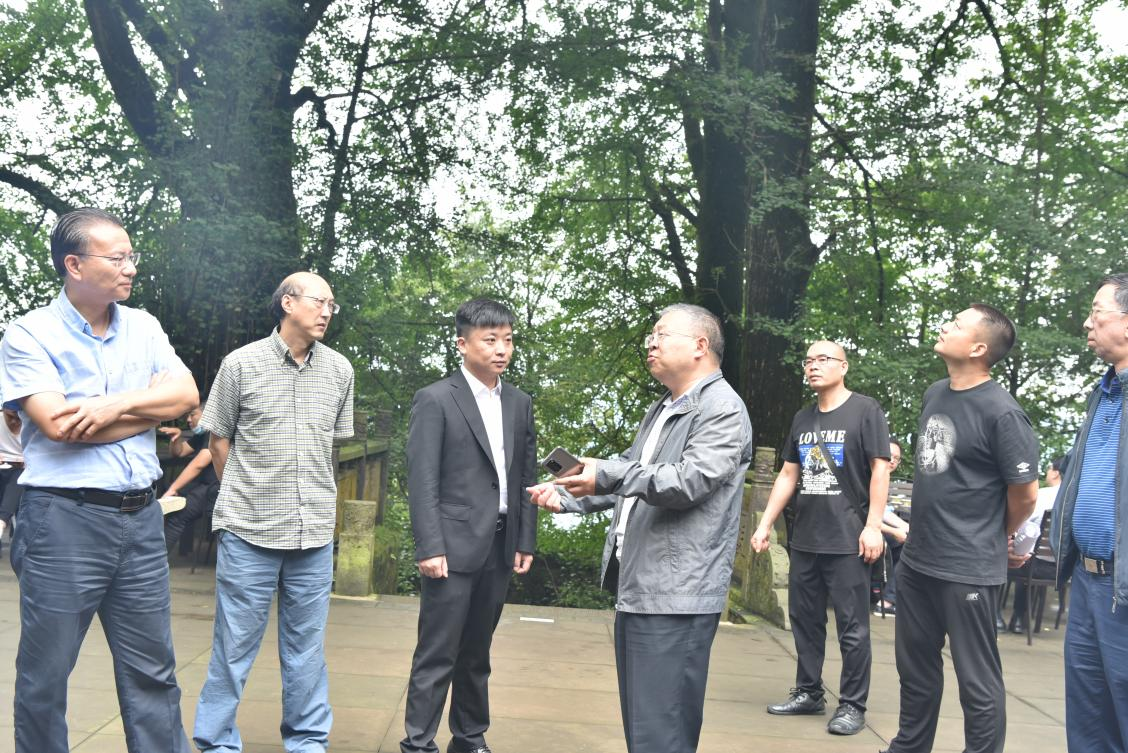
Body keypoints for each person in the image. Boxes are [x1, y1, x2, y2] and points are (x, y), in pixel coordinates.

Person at [0, 207, 198, 753]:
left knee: (153, 673)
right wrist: (149, 410)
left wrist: (113, 405)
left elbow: (187, 396)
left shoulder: (145, 327)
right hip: (62, 521)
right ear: (75, 265)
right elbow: (60, 426)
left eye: (131, 256)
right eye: (117, 258)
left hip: (141, 520)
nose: (131, 267)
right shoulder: (28, 334)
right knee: (45, 677)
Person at [528, 303, 753, 753]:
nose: (651, 343)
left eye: (662, 334)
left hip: (678, 592)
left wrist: (606, 473)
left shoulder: (723, 408)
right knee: (644, 725)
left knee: (661, 730)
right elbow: (633, 475)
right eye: (652, 335)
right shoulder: (664, 406)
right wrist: (570, 494)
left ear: (700, 346)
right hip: (642, 584)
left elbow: (689, 481)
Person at [193, 272, 355, 752]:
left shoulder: (340, 370)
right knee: (233, 646)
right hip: (249, 530)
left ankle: (307, 741)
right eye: (319, 301)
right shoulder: (241, 364)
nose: (326, 311)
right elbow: (218, 442)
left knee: (307, 650)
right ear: (288, 303)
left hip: (314, 533)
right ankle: (217, 742)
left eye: (332, 304)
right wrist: (249, 492)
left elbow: (331, 446)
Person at [884, 303, 1039, 753]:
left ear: (977, 348)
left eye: (955, 324)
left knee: (977, 681)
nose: (943, 326)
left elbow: (1025, 495)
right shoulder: (936, 393)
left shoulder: (1003, 413)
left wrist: (994, 534)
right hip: (918, 559)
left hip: (967, 566)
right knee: (915, 669)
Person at [400, 298, 538, 753]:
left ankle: (469, 737)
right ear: (462, 343)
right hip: (451, 546)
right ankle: (418, 742)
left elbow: (525, 476)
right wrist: (429, 546)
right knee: (437, 651)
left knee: (478, 652)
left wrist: (524, 538)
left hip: (499, 544)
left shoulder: (519, 403)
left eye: (508, 340)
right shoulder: (436, 398)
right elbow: (422, 479)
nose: (502, 349)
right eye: (490, 340)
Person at [750, 341, 890, 736]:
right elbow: (788, 474)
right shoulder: (803, 418)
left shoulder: (866, 410)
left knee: (852, 627)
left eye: (823, 359)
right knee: (805, 621)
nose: (813, 366)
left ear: (843, 367)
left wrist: (873, 525)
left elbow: (880, 470)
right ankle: (809, 691)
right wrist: (765, 524)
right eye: (808, 361)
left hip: (848, 538)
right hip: (806, 538)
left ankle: (852, 704)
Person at [1049, 272, 1128, 753]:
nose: (1087, 323)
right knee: (1088, 723)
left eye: (1097, 312)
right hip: (1087, 581)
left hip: (1124, 587)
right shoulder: (1103, 393)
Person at [1005, 456, 1063, 634]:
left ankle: (1001, 617)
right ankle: (1022, 619)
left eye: (1049, 469)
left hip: (1031, 564)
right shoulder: (1076, 500)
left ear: (1055, 473)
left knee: (1005, 558)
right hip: (1060, 570)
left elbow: (1022, 525)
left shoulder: (1042, 495)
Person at [159, 398, 219, 553]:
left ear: (207, 414)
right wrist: (176, 438)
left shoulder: (216, 432)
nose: (188, 419)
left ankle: (156, 560)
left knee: (178, 515)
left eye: (192, 415)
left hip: (215, 488)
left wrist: (172, 489)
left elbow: (199, 463)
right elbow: (180, 452)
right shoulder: (203, 434)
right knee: (172, 507)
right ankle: (157, 557)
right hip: (203, 486)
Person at [876, 439, 910, 614]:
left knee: (907, 542)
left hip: (877, 526)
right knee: (909, 547)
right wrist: (895, 531)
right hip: (861, 528)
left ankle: (890, 596)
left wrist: (905, 527)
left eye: (897, 458)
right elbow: (868, 515)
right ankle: (888, 601)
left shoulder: (884, 477)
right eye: (889, 456)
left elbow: (882, 511)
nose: (892, 461)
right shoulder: (870, 475)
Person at [0, 408, 24, 542]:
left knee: (18, 479)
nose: (14, 421)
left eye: (18, 417)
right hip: (3, 464)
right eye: (10, 417)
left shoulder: (34, 422)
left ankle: (2, 520)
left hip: (22, 469)